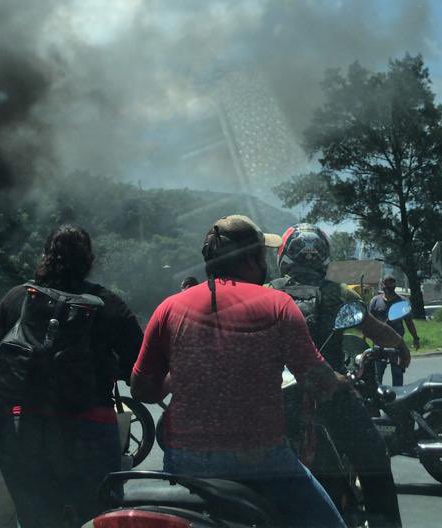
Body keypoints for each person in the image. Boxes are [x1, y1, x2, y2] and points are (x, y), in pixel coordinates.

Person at [131, 215, 345, 528]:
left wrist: (181, 372)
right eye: (261, 255)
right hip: (261, 461)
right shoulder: (278, 305)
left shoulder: (170, 308)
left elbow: (142, 391)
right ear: (249, 258)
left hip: (186, 463)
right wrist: (342, 381)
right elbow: (318, 383)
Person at [0, 225, 144, 528]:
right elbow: (139, 368)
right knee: (98, 518)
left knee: (35, 519)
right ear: (89, 260)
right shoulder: (109, 305)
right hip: (90, 428)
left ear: (45, 255)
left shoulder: (17, 298)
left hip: (23, 427)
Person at [271, 223, 407, 528]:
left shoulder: (267, 294)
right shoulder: (337, 293)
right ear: (322, 257)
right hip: (330, 390)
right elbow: (372, 328)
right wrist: (400, 344)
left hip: (276, 398)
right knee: (373, 457)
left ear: (285, 257)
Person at [368, 276, 420, 386]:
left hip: (397, 344)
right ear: (382, 286)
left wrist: (416, 338)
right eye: (386, 287)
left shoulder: (402, 302)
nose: (389, 290)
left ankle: (398, 398)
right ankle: (379, 399)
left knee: (397, 374)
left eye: (391, 287)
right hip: (379, 344)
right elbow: (368, 322)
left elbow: (409, 322)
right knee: (377, 375)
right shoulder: (375, 301)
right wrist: (364, 339)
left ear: (394, 287)